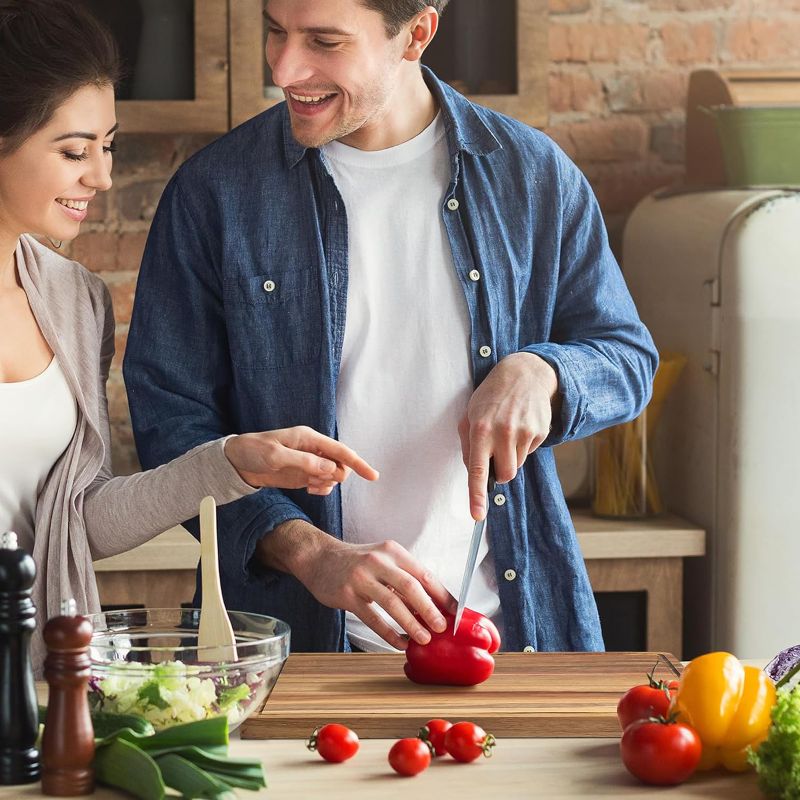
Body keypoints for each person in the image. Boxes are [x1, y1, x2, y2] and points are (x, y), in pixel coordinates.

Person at [125, 0, 658, 655]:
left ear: (417, 34)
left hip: (510, 638)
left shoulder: (532, 175)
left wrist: (541, 372)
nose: (285, 67)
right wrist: (308, 551)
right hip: (290, 651)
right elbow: (171, 427)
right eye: (274, 30)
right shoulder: (214, 194)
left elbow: (627, 357)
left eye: (324, 41)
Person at [0, 0, 377, 670]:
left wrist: (228, 464)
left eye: (106, 146)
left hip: (37, 686)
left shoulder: (76, 304)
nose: (102, 176)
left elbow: (76, 522)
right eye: (73, 150)